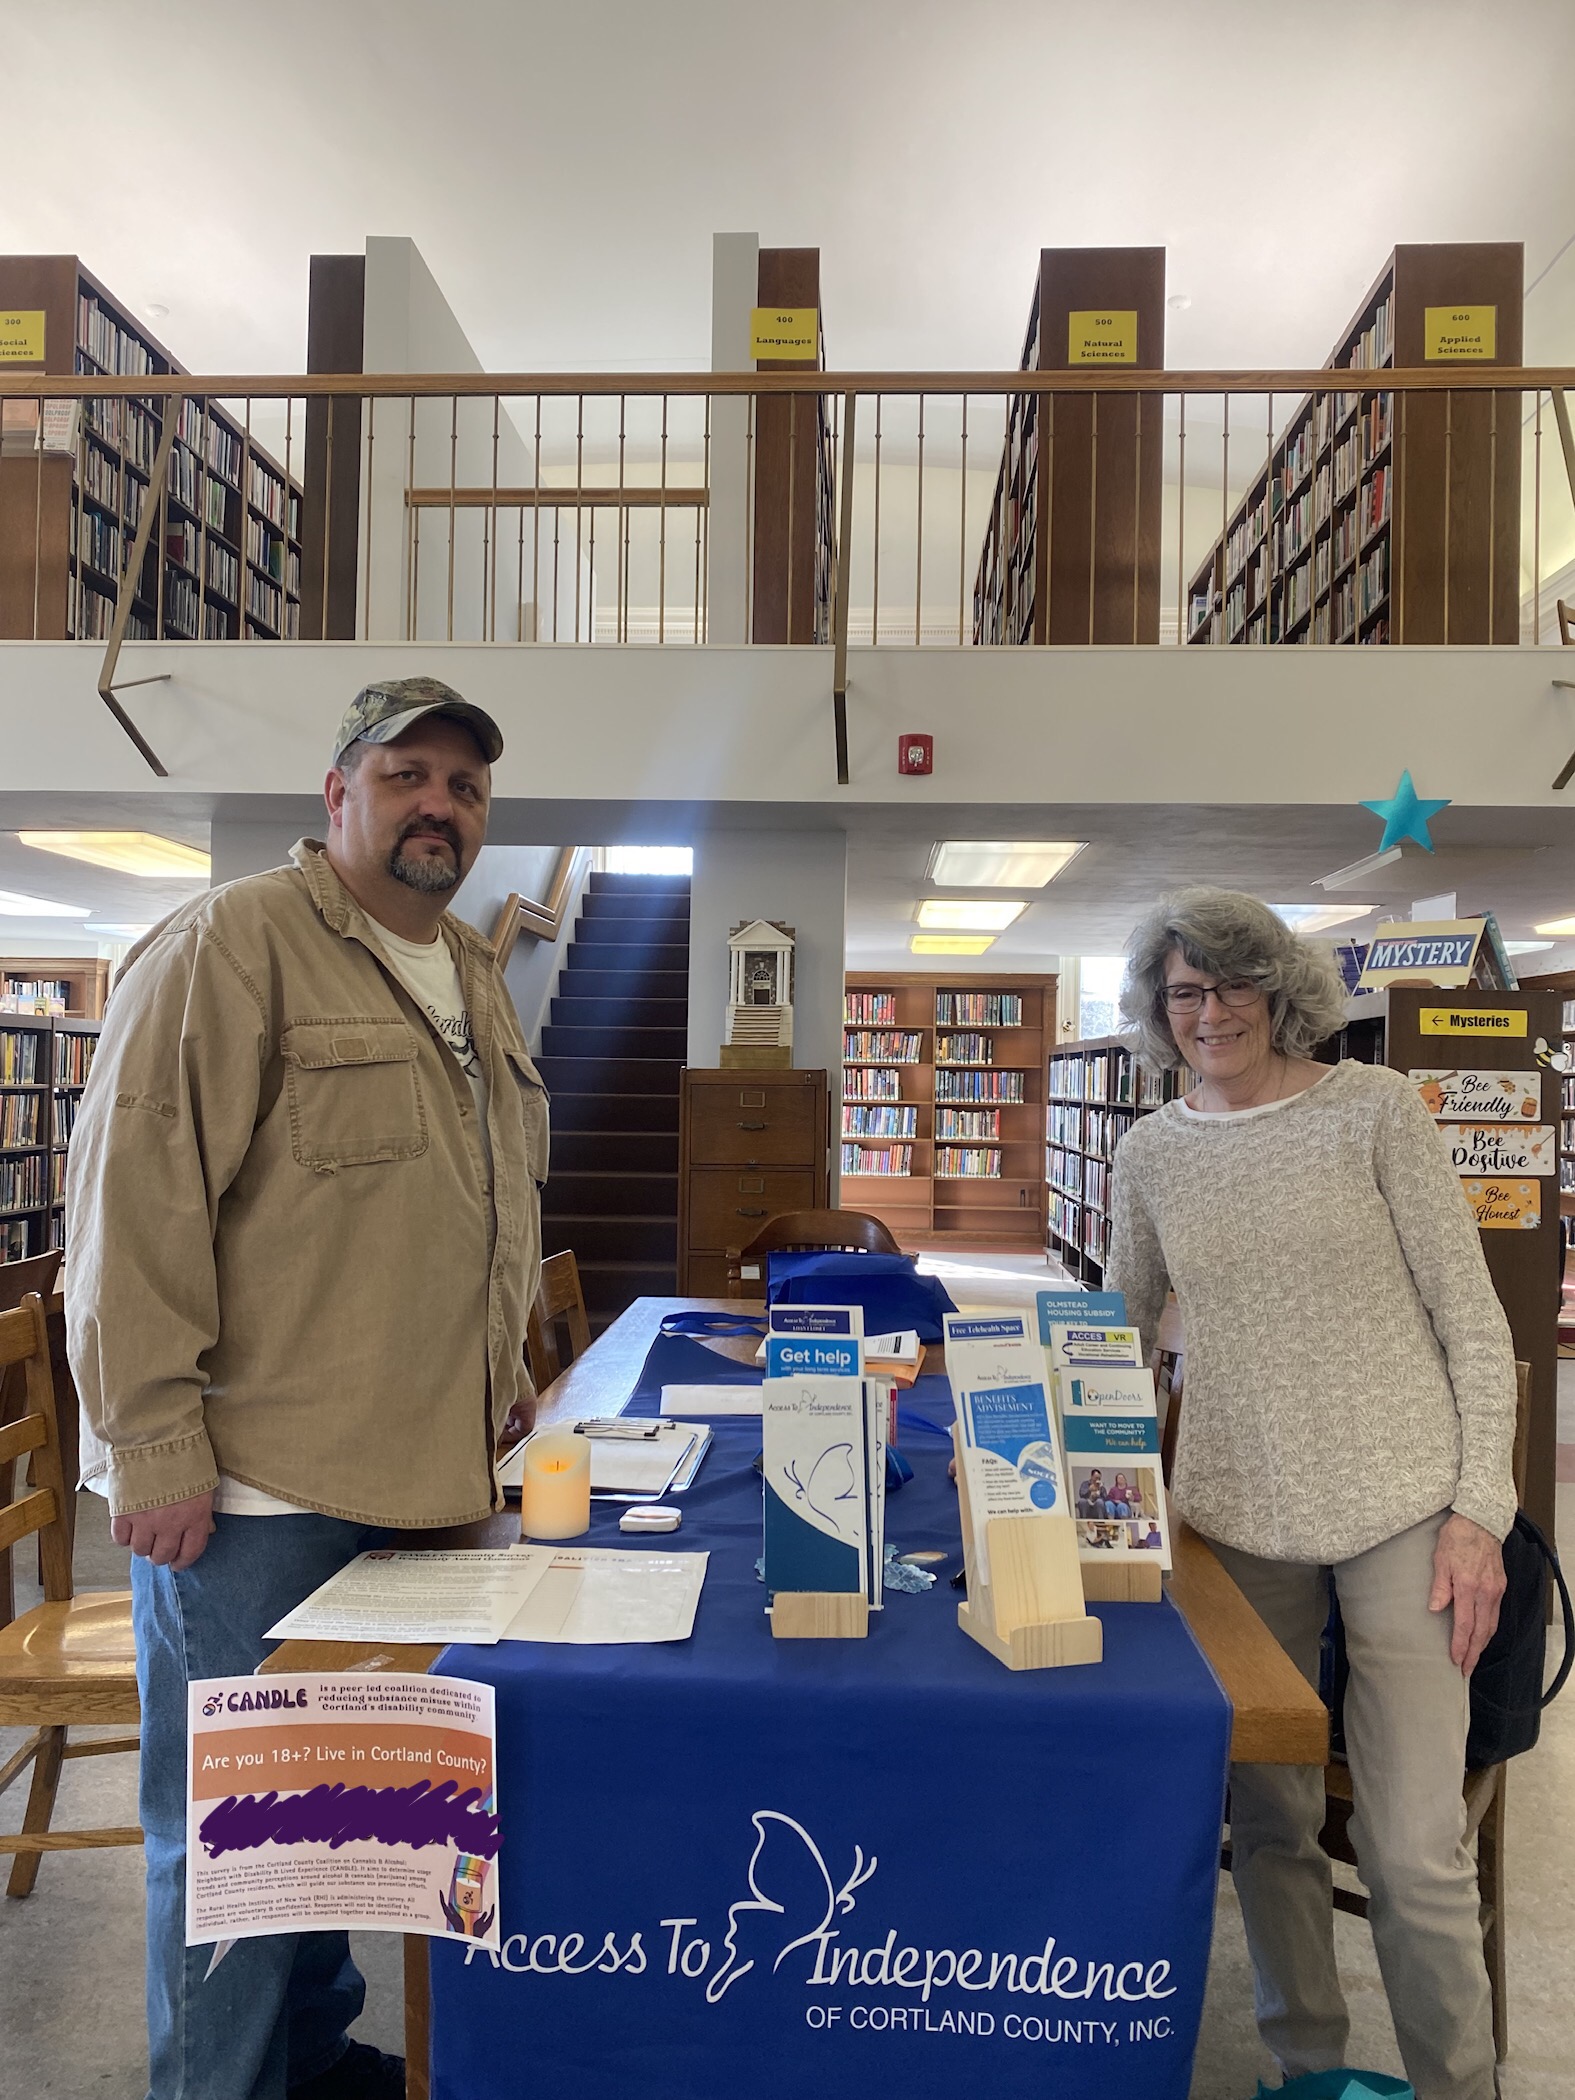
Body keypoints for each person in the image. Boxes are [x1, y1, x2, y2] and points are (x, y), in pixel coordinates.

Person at [69, 678, 549, 2100]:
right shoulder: (232, 945)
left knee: (348, 1812)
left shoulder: (467, 968)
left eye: (463, 788)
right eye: (406, 776)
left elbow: (475, 1207)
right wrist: (150, 1444)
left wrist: (503, 1367)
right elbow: (131, 1210)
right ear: (334, 796)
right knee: (230, 1852)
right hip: (255, 1495)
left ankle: (312, 2054)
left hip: (421, 1484)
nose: (437, 807)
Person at [1105, 886, 1514, 2100]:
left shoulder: (1374, 1110)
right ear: (1159, 1008)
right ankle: (1307, 2070)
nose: (1212, 1011)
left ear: (1282, 995)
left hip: (1408, 1506)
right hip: (1235, 1513)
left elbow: (1475, 1324)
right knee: (1271, 1826)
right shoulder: (1150, 1150)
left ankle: (1460, 2085)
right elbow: (1115, 1331)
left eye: (1235, 985)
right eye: (1186, 990)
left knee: (1412, 1847)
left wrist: (1481, 1513)